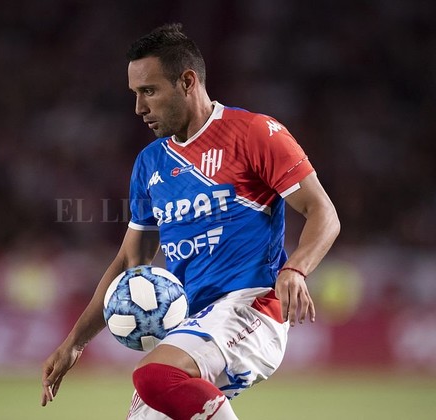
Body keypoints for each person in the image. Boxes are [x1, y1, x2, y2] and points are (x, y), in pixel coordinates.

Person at [41, 23, 340, 419]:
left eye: (149, 91)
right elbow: (130, 262)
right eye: (135, 94)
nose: (139, 108)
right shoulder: (150, 163)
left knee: (154, 376)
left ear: (187, 81)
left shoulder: (254, 134)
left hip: (251, 307)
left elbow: (323, 212)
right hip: (192, 322)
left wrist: (296, 269)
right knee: (151, 394)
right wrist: (75, 343)